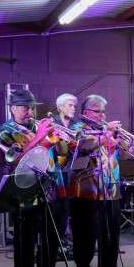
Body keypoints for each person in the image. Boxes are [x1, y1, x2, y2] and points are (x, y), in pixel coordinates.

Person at [0, 89, 68, 267]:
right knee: (25, 245)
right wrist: (40, 137)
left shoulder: (40, 126)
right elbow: (16, 160)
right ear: (13, 109)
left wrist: (59, 138)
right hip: (24, 194)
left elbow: (62, 152)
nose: (30, 111)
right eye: (25, 107)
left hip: (49, 190)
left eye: (32, 107)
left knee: (50, 242)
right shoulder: (5, 131)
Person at [68, 94, 127, 267]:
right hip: (87, 190)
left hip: (111, 188)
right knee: (86, 234)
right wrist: (106, 135)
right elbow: (82, 150)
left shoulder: (106, 129)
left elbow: (124, 155)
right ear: (86, 113)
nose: (102, 115)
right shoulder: (78, 129)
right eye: (98, 112)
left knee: (111, 231)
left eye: (104, 112)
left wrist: (123, 143)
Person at [52, 93, 78, 253]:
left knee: (66, 207)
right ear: (60, 107)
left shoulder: (75, 126)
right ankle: (55, 241)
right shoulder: (52, 123)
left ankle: (63, 239)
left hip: (70, 170)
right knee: (57, 207)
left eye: (74, 105)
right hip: (55, 170)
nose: (73, 108)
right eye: (70, 105)